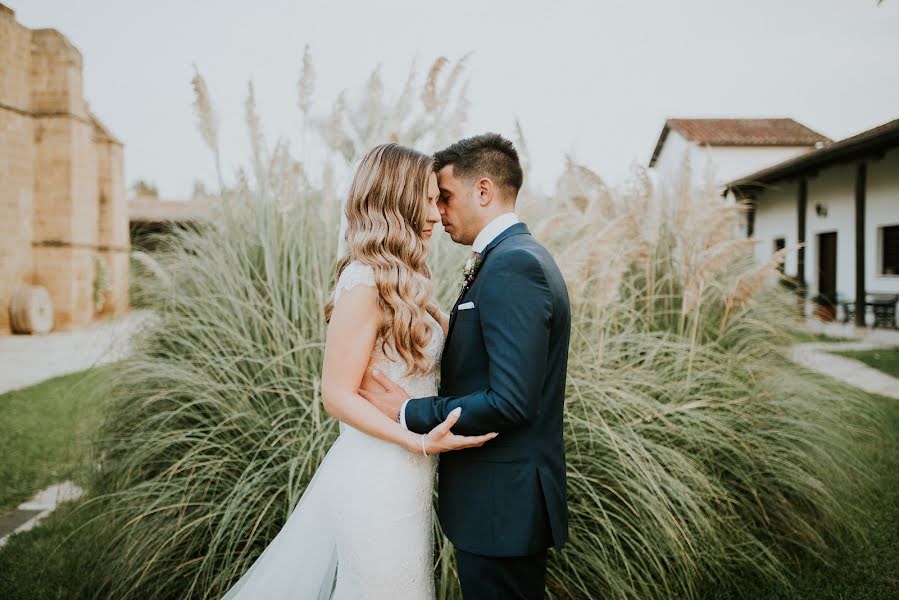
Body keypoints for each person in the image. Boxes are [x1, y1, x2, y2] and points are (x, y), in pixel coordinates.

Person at [220, 143, 496, 600]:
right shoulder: (364, 280)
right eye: (428, 200)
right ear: (396, 202)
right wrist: (419, 439)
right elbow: (336, 394)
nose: (437, 212)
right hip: (375, 476)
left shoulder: (406, 282)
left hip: (409, 478)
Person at [361, 132, 572, 600]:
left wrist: (411, 411)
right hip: (500, 504)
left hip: (502, 506)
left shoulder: (514, 265)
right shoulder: (513, 258)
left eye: (446, 196)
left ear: (483, 190)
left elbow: (511, 400)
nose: (438, 212)